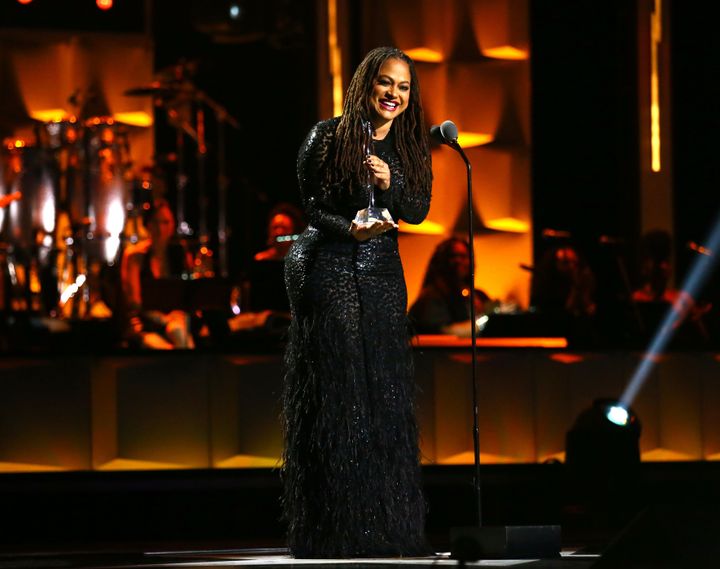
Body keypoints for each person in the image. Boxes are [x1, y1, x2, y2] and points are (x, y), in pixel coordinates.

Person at [281, 46, 433, 558]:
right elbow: (312, 206)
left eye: (404, 87)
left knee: (383, 393)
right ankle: (335, 527)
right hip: (331, 269)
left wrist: (395, 183)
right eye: (385, 83)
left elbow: (417, 209)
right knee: (340, 395)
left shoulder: (410, 147)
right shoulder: (327, 136)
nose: (394, 94)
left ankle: (386, 523)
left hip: (384, 273)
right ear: (365, 84)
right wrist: (350, 228)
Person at [120, 198, 195, 349]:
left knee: (179, 332)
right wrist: (163, 319)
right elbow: (134, 301)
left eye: (166, 222)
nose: (161, 228)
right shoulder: (135, 256)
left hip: (175, 319)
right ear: (148, 225)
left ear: (173, 225)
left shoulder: (180, 254)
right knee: (166, 344)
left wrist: (176, 315)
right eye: (156, 222)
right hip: (145, 322)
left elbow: (190, 292)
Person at [408, 237, 491, 336]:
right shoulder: (432, 297)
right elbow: (443, 332)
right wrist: (482, 322)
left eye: (463, 256)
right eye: (453, 256)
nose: (458, 261)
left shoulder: (478, 295)